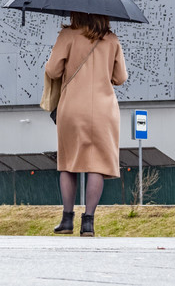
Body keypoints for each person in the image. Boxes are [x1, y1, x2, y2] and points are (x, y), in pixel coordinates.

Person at [44, 12, 128, 236]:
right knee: (97, 164)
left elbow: (52, 70)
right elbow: (120, 78)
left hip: (72, 108)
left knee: (68, 162)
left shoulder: (67, 35)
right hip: (103, 110)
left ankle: (67, 220)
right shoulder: (111, 39)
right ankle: (88, 222)